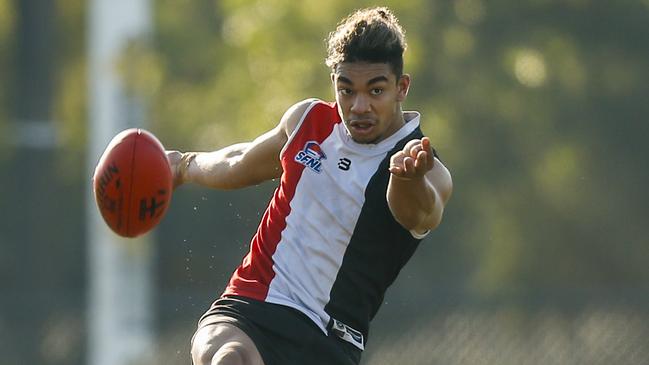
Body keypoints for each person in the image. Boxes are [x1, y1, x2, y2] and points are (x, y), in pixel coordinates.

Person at [167, 6, 453, 365]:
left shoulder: (425, 169)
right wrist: (182, 165)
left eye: (375, 90)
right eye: (346, 90)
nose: (358, 106)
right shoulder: (308, 122)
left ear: (402, 87)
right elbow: (238, 161)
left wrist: (406, 179)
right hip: (253, 305)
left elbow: (420, 212)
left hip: (328, 343)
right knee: (230, 359)